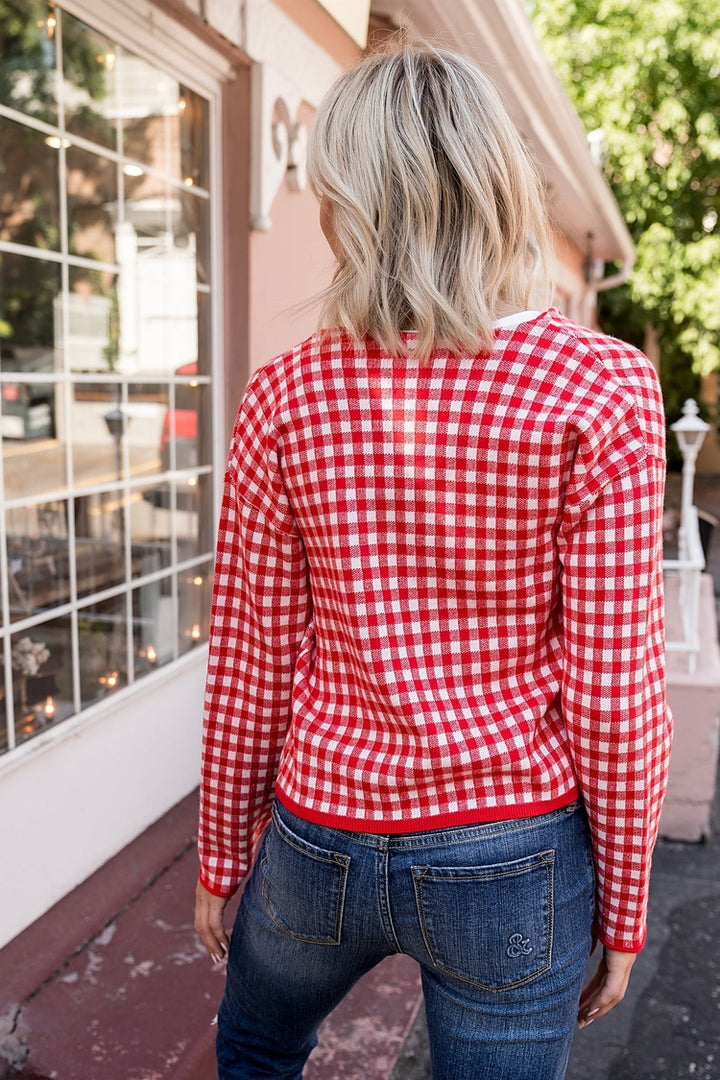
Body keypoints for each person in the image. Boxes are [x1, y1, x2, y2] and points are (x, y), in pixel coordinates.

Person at [194, 43, 672, 1080]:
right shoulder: (602, 390)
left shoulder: (286, 394)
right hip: (510, 850)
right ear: (497, 187)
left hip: (319, 831)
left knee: (258, 1048)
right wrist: (625, 901)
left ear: (348, 204)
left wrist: (221, 854)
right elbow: (612, 688)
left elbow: (250, 657)